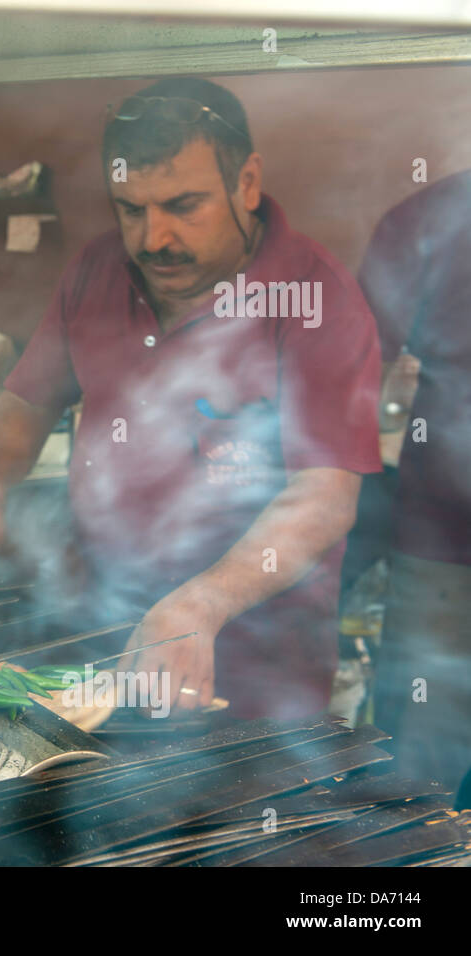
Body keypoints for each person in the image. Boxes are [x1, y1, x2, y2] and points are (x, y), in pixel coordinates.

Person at [0, 77, 382, 720]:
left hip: (246, 666)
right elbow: (27, 401)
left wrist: (202, 603)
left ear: (246, 183)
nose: (153, 238)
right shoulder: (96, 268)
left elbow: (325, 492)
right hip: (92, 631)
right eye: (131, 208)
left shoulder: (317, 299)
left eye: (183, 204)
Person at [357, 169, 471, 806]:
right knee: (421, 778)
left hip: (437, 546)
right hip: (444, 551)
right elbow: (355, 369)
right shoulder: (427, 219)